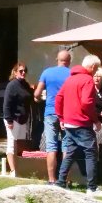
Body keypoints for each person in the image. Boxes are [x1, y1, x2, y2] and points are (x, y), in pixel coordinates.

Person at [54, 54, 102, 193]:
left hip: (69, 123)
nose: (96, 72)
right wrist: (95, 120)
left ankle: (61, 183)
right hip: (82, 123)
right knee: (91, 153)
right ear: (93, 66)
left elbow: (59, 98)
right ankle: (92, 188)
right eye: (96, 68)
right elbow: (86, 103)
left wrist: (61, 118)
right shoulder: (87, 80)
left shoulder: (70, 79)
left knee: (70, 153)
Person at [33, 49, 71, 185]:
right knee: (66, 146)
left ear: (57, 60)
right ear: (69, 61)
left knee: (51, 146)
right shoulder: (72, 74)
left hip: (50, 112)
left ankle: (51, 179)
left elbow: (37, 93)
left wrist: (38, 98)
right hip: (67, 114)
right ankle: (65, 179)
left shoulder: (47, 72)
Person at [2, 62, 33, 177]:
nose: (23, 73)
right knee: (12, 143)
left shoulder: (25, 85)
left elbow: (30, 95)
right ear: (15, 73)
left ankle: (20, 169)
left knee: (20, 144)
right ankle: (13, 170)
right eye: (21, 71)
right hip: (13, 119)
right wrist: (9, 120)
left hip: (23, 119)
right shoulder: (12, 85)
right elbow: (6, 104)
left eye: (25, 71)